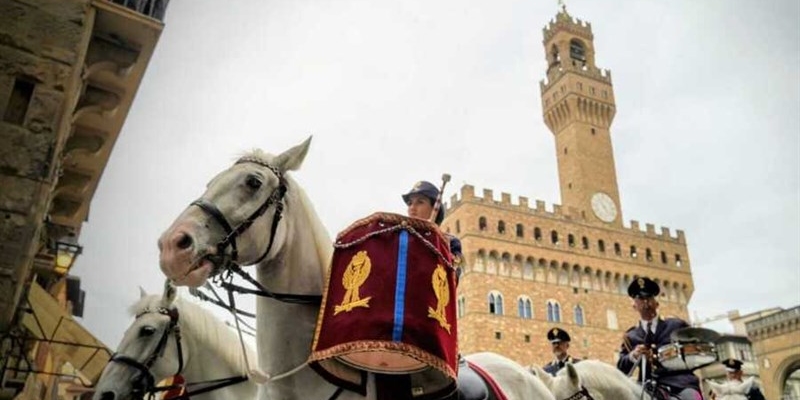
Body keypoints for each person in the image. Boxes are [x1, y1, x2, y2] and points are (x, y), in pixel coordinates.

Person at [617, 277, 702, 400]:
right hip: (646, 386)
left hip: (680, 383)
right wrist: (634, 355)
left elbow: (694, 351)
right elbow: (621, 367)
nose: (646, 302)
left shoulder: (676, 325)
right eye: (641, 299)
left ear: (657, 303)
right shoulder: (631, 336)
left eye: (649, 297)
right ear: (634, 306)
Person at [402, 180, 463, 267]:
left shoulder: (449, 242)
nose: (412, 207)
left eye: (420, 202)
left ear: (434, 209)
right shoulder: (400, 236)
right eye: (410, 203)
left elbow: (452, 275)